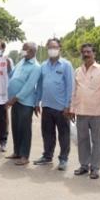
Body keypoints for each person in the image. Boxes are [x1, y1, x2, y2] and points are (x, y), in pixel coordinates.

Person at [33, 38, 74, 171]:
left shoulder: (66, 65)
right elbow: (39, 85)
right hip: (46, 106)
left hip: (62, 108)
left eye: (55, 47)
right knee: (47, 134)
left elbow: (70, 86)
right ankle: (47, 156)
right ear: (47, 49)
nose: (52, 50)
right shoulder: (43, 66)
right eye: (50, 47)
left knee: (64, 135)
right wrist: (36, 102)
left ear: (59, 48)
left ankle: (63, 159)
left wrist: (68, 105)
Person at [71, 43, 100, 179]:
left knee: (97, 141)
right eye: (84, 52)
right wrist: (72, 109)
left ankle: (95, 168)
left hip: (97, 113)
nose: (86, 54)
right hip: (81, 112)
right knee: (82, 140)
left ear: (94, 54)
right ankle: (84, 165)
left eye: (89, 52)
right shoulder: (77, 71)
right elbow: (74, 92)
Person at [5, 42, 41, 165]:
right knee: (16, 127)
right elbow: (12, 76)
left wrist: (15, 98)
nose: (22, 51)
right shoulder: (21, 62)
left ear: (31, 51)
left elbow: (29, 86)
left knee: (25, 129)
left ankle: (25, 156)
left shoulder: (36, 67)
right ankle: (17, 152)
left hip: (25, 103)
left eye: (24, 49)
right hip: (15, 101)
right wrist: (8, 67)